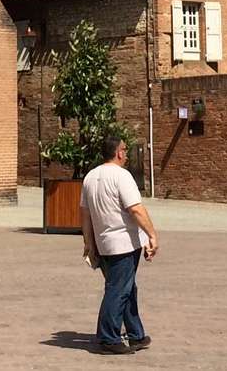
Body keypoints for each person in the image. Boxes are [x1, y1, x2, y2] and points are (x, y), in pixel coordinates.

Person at [81, 136, 156, 355]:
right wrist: (152, 234)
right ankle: (108, 338)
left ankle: (136, 334)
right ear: (119, 152)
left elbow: (85, 215)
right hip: (123, 243)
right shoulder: (122, 176)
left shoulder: (90, 177)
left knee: (127, 288)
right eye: (124, 149)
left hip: (103, 242)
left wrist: (89, 243)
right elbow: (136, 209)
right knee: (118, 290)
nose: (125, 153)